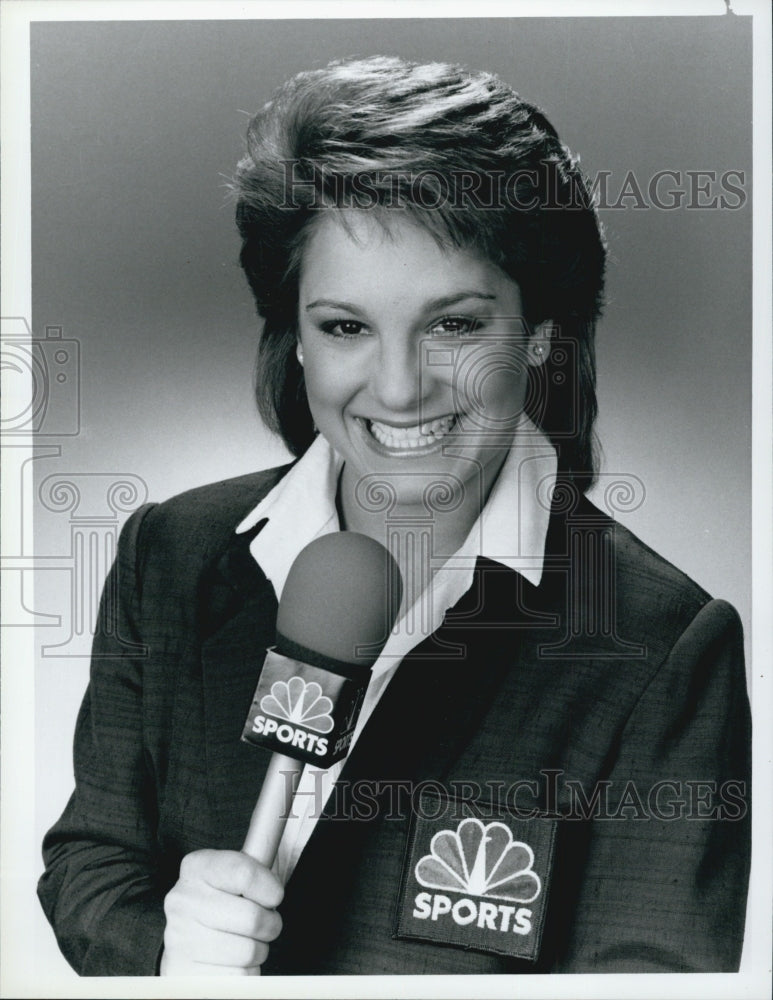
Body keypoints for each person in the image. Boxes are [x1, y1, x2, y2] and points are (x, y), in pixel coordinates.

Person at [37, 55, 751, 976]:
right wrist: (169, 951)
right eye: (345, 327)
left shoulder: (659, 646)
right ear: (294, 336)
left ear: (537, 334)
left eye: (453, 325)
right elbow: (92, 859)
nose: (401, 388)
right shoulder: (169, 555)